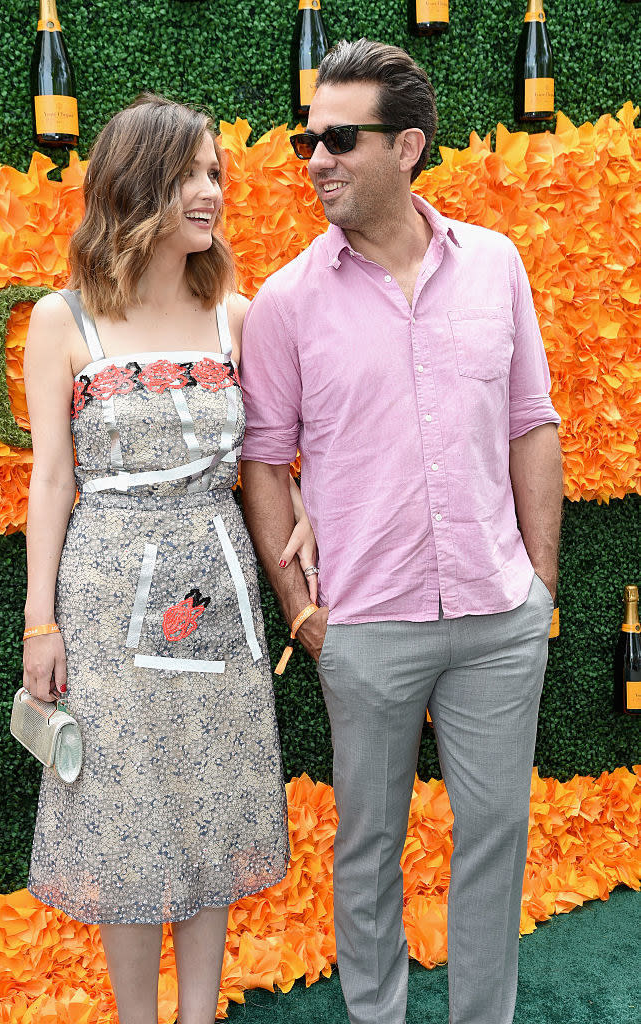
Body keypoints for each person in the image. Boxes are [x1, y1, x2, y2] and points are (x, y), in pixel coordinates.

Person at [240, 39, 562, 1024]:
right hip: (362, 628)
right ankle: (375, 1014)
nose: (315, 159)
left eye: (339, 137)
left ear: (408, 145)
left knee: (495, 835)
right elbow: (263, 461)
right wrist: (302, 613)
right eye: (307, 138)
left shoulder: (496, 265)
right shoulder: (288, 301)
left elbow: (530, 425)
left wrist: (538, 584)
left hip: (496, 616)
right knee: (369, 842)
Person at [22, 94, 313, 1024]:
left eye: (217, 172)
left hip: (212, 585)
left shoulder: (239, 314)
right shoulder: (62, 322)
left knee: (211, 787)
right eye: (191, 172)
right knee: (127, 804)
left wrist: (306, 516)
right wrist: (40, 620)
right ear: (138, 183)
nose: (212, 191)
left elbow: (273, 453)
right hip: (105, 592)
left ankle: (198, 1013)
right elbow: (52, 482)